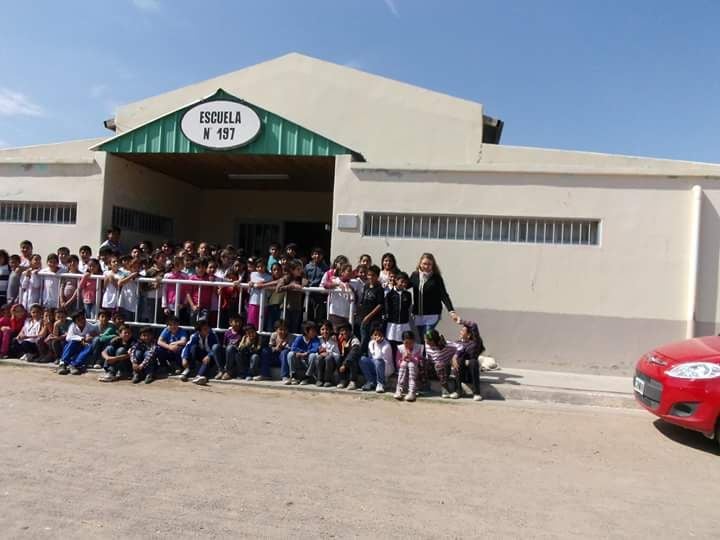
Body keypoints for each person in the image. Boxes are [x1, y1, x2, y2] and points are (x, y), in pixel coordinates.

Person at [409, 253, 456, 343]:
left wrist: (451, 311)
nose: (426, 266)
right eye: (424, 264)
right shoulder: (415, 275)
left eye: (429, 264)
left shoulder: (436, 278)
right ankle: (430, 351)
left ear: (433, 265)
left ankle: (434, 350)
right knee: (420, 340)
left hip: (432, 315)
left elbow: (444, 295)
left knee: (427, 337)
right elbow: (406, 285)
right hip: (418, 314)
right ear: (420, 264)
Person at [449, 314, 486, 401]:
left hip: (471, 375)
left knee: (473, 361)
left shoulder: (475, 343)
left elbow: (474, 325)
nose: (460, 332)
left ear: (469, 335)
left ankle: (476, 393)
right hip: (460, 373)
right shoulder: (457, 343)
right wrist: (453, 359)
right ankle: (458, 391)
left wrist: (460, 320)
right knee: (458, 360)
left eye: (463, 331)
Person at [57, 311, 99, 375]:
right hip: (75, 345)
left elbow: (96, 335)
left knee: (89, 346)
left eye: (83, 318)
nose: (82, 321)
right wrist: (82, 338)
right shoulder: (72, 326)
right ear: (75, 322)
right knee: (72, 342)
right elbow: (68, 337)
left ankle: (74, 365)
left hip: (84, 346)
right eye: (79, 320)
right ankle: (62, 364)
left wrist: (91, 336)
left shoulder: (91, 326)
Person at [180, 319, 218, 385]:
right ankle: (190, 369)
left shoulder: (213, 335)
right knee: (193, 347)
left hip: (211, 358)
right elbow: (187, 347)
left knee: (207, 360)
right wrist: (184, 358)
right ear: (199, 331)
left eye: (208, 328)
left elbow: (216, 348)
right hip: (201, 355)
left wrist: (209, 355)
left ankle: (198, 376)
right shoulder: (194, 336)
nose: (208, 330)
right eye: (205, 329)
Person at [322, 262, 358, 332]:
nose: (351, 272)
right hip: (335, 313)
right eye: (348, 271)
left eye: (351, 270)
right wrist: (337, 284)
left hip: (348, 314)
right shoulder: (335, 280)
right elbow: (325, 285)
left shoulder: (354, 283)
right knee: (335, 333)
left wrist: (351, 289)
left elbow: (356, 298)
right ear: (342, 272)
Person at [357, 265, 384, 354]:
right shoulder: (366, 286)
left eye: (373, 275)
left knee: (370, 339)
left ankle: (370, 355)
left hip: (373, 319)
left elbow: (380, 305)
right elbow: (362, 301)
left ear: (377, 276)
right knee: (363, 338)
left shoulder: (379, 289)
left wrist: (368, 316)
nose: (370, 277)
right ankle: (362, 356)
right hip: (363, 317)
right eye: (369, 275)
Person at [359, 324, 393, 393]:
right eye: (375, 335)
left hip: (385, 368)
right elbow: (371, 357)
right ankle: (370, 381)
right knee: (362, 359)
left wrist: (378, 344)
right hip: (375, 365)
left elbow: (379, 357)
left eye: (379, 334)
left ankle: (380, 383)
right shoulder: (371, 343)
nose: (377, 336)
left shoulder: (386, 345)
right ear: (371, 336)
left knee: (378, 361)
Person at [424, 329, 457, 398]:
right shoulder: (426, 345)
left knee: (439, 365)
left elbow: (460, 348)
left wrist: (455, 357)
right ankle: (420, 386)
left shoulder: (446, 345)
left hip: (443, 369)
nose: (426, 341)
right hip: (432, 369)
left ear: (433, 341)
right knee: (421, 361)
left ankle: (445, 389)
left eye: (427, 340)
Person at [276, 260, 306, 334]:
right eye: (298, 269)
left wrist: (303, 279)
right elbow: (278, 289)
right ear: (292, 270)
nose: (300, 271)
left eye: (301, 269)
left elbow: (305, 284)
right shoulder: (287, 278)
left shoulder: (301, 278)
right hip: (286, 307)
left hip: (297, 308)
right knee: (284, 327)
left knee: (294, 329)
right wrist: (290, 286)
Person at [384, 272, 413, 346]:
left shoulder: (408, 294)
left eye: (405, 282)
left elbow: (408, 307)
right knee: (391, 343)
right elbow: (386, 307)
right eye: (402, 282)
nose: (403, 284)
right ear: (396, 280)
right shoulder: (389, 294)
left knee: (403, 343)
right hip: (392, 323)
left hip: (404, 323)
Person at [393, 330, 423, 402]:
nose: (408, 345)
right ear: (403, 341)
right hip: (403, 371)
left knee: (411, 364)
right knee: (404, 363)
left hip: (415, 371)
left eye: (411, 343)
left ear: (414, 341)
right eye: (406, 343)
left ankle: (412, 391)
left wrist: (411, 357)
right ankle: (399, 389)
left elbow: (419, 362)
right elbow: (398, 363)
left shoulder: (418, 347)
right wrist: (403, 358)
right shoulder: (400, 348)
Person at [213, 314, 244, 380]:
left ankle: (228, 372)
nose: (238, 324)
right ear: (230, 323)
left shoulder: (242, 333)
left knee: (230, 348)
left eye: (239, 321)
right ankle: (221, 370)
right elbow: (224, 345)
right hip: (227, 355)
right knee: (215, 347)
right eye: (236, 321)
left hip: (236, 356)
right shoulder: (227, 333)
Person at [186, 257, 215, 324]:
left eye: (203, 267)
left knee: (202, 324)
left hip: (206, 307)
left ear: (206, 268)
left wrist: (212, 282)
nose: (201, 269)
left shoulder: (209, 278)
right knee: (193, 324)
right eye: (198, 267)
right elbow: (188, 293)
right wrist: (192, 305)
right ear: (195, 268)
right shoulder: (191, 278)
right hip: (194, 306)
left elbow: (214, 290)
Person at [312, 320, 339, 387]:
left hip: (331, 363)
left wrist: (328, 353)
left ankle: (327, 380)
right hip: (320, 362)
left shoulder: (334, 340)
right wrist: (320, 353)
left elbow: (337, 355)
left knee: (328, 358)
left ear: (331, 330)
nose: (325, 331)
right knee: (319, 357)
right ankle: (319, 379)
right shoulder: (317, 339)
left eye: (327, 329)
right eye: (322, 329)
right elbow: (313, 351)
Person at [305, 247, 329, 322]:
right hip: (309, 294)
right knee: (309, 314)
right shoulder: (307, 267)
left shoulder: (326, 268)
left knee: (319, 315)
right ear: (312, 255)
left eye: (319, 254)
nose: (317, 256)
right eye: (315, 254)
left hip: (320, 295)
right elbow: (304, 277)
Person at [162, 255, 189, 321]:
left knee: (181, 322)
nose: (184, 264)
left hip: (181, 304)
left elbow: (187, 291)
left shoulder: (185, 276)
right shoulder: (167, 276)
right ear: (176, 264)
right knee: (170, 322)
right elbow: (164, 291)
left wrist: (184, 304)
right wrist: (165, 306)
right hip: (170, 305)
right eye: (182, 263)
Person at [247, 258, 271, 329]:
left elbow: (269, 292)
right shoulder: (252, 274)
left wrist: (264, 284)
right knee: (251, 324)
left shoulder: (269, 277)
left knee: (261, 324)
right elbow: (249, 288)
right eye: (258, 267)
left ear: (265, 266)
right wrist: (250, 283)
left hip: (264, 303)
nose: (260, 268)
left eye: (262, 266)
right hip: (253, 302)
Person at [336, 323, 361, 390]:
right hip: (346, 361)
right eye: (341, 331)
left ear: (350, 331)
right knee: (339, 358)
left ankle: (353, 381)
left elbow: (353, 353)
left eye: (346, 330)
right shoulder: (341, 340)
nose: (344, 332)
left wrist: (344, 364)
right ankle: (343, 380)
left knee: (352, 360)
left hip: (354, 362)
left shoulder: (355, 340)